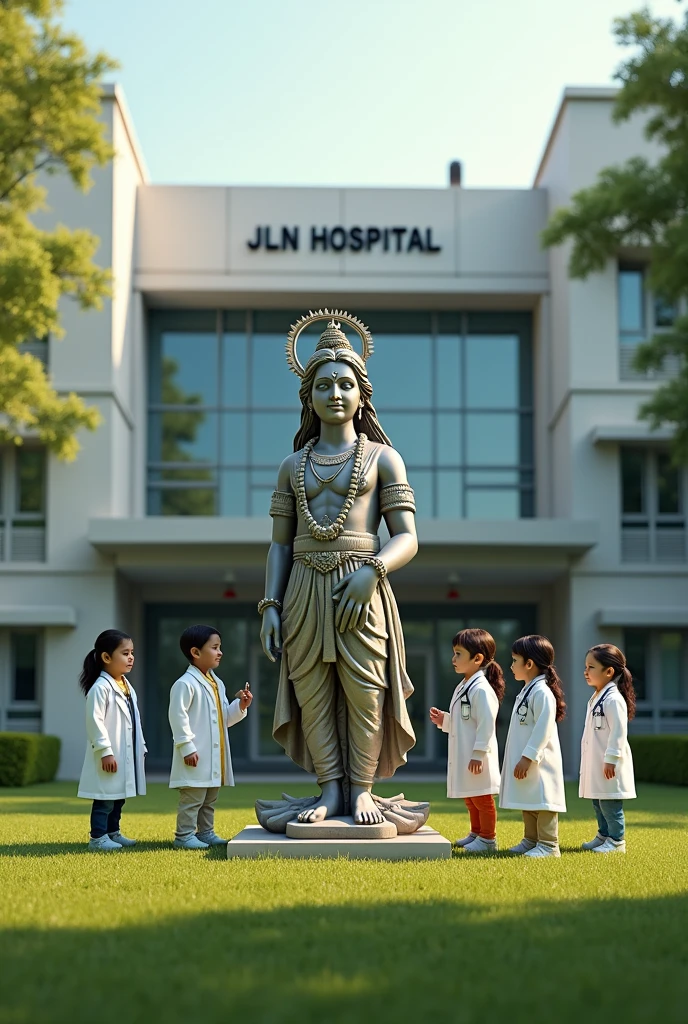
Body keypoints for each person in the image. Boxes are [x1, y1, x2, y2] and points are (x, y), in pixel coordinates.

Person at [258, 312, 418, 831]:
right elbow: (279, 546)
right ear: (309, 396)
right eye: (323, 385)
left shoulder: (383, 458)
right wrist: (270, 605)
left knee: (364, 686)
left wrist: (374, 569)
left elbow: (408, 537)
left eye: (346, 383)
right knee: (312, 688)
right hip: (303, 582)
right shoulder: (292, 465)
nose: (335, 393)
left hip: (360, 581)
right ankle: (329, 787)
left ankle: (364, 788)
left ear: (361, 392)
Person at [169, 624, 252, 849]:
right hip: (195, 753)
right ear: (195, 653)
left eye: (220, 647)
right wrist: (187, 747)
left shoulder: (217, 683)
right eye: (214, 647)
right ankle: (184, 836)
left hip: (212, 755)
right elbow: (178, 717)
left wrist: (240, 706)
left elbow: (224, 718)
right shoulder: (184, 684)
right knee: (193, 798)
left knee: (209, 799)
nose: (220, 652)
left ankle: (205, 832)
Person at [430, 628, 503, 853]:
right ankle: (476, 833)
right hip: (466, 753)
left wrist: (479, 753)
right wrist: (446, 720)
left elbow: (486, 725)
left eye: (458, 654)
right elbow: (465, 721)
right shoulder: (464, 685)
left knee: (481, 797)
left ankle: (488, 839)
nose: (453, 659)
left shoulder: (481, 689)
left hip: (476, 755)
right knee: (470, 797)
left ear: (477, 658)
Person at [77, 630, 146, 852]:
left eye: (132, 653)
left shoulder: (125, 685)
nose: (131, 657)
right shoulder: (100, 688)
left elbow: (135, 720)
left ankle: (113, 832)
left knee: (118, 796)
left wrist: (140, 746)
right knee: (105, 798)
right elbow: (94, 722)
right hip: (110, 754)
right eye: (125, 653)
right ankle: (98, 838)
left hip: (123, 753)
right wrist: (105, 751)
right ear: (106, 657)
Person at [500, 635, 567, 858]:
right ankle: (531, 840)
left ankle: (549, 845)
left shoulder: (541, 692)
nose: (511, 665)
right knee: (529, 799)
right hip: (528, 758)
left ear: (529, 664)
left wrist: (528, 757)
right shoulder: (528, 690)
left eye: (514, 660)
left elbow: (543, 729)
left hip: (539, 760)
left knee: (544, 800)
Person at [579, 644, 636, 854]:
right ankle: (603, 836)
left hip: (608, 763)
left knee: (610, 804)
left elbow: (619, 733)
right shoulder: (597, 697)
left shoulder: (613, 699)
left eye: (591, 667)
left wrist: (611, 759)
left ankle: (617, 841)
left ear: (609, 671)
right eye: (585, 666)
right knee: (598, 800)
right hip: (597, 762)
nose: (586, 671)